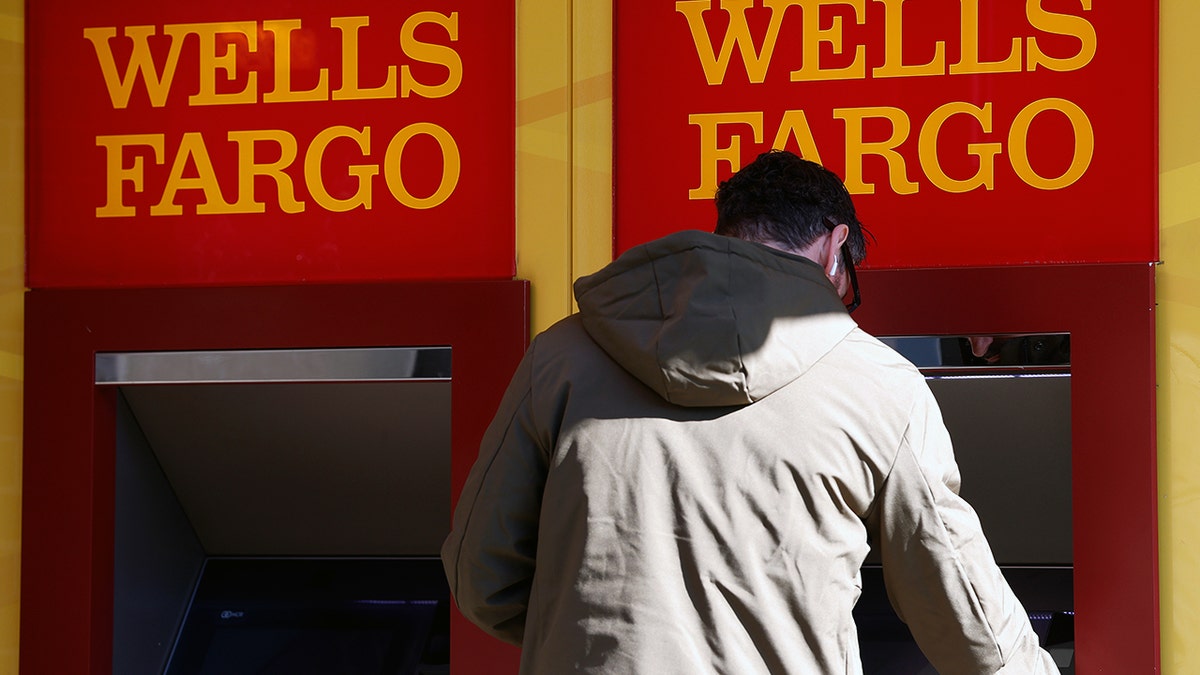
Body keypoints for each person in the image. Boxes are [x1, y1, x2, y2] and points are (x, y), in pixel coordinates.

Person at [441, 149, 1058, 674]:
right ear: (835, 246)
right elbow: (966, 613)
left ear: (725, 235)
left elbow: (480, 575)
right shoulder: (881, 385)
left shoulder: (561, 356)